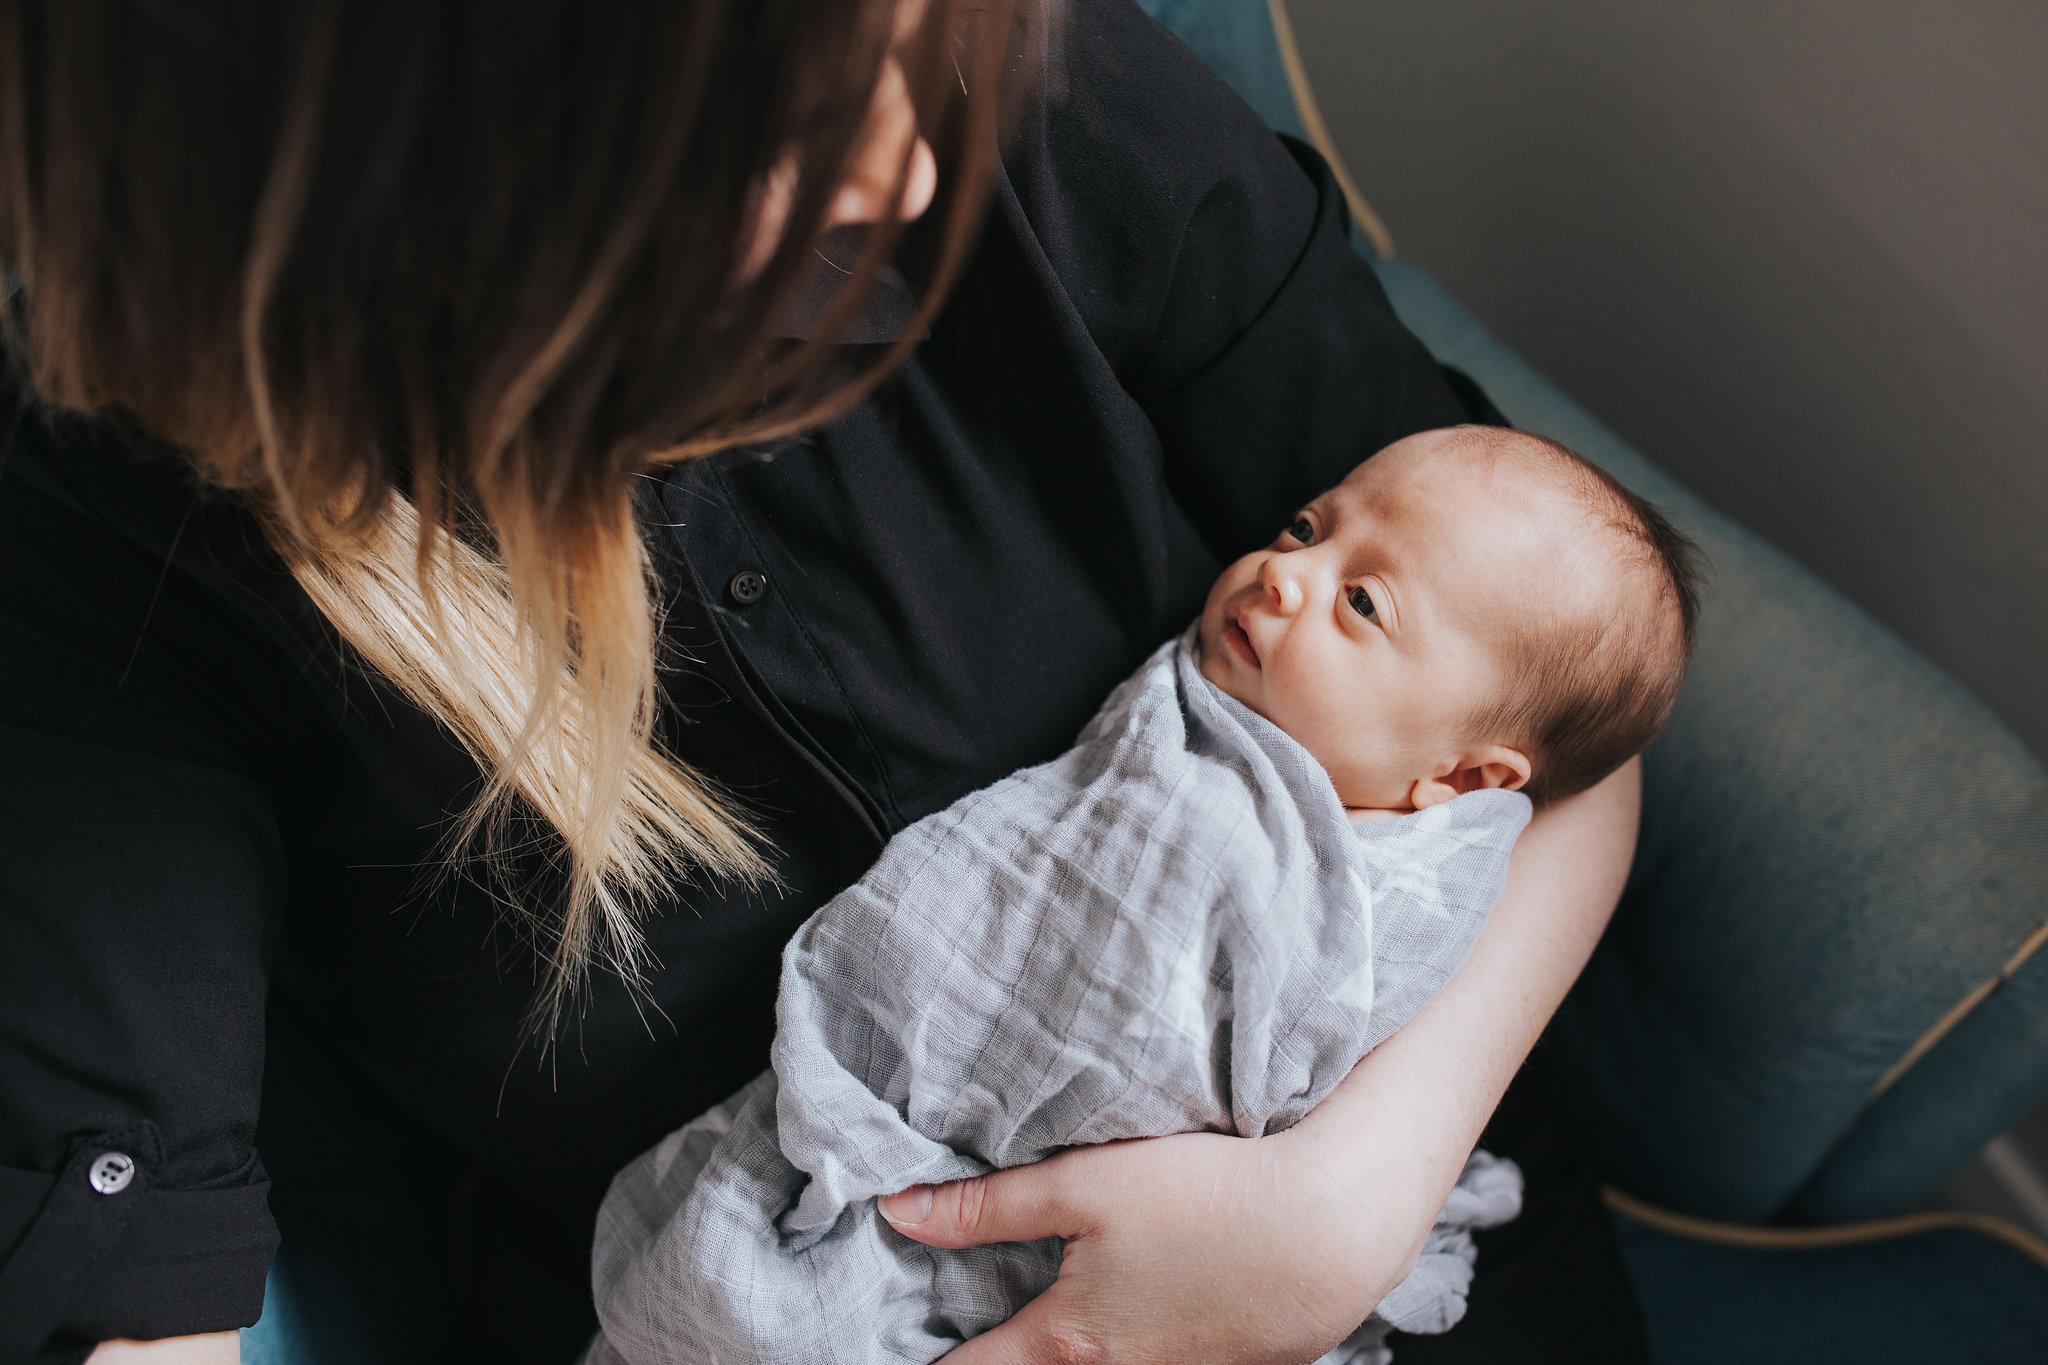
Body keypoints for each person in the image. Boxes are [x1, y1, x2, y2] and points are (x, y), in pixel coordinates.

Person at [0, 2, 1642, 1362]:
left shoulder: (1017, 78)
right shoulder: (110, 519)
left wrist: (1333, 1212)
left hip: (1389, 1232)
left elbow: (1556, 700)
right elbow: (130, 1276)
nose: (908, 162)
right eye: (778, 122)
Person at [584, 426, 1701, 1365]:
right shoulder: (1196, 710)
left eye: (1359, 603)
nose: (1284, 572)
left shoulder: (1382, 879)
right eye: (1305, 529)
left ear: (1456, 779)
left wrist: (1334, 1211)